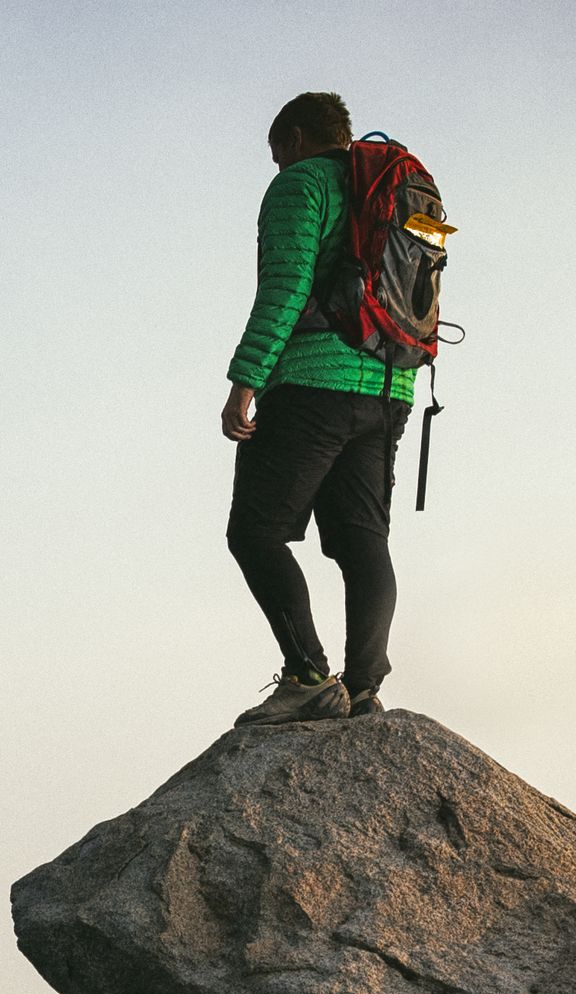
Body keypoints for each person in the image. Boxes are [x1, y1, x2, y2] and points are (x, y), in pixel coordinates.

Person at [223, 90, 414, 725]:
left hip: (312, 384)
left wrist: (246, 378)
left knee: (255, 531)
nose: (276, 167)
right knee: (362, 538)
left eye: (276, 154)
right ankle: (363, 690)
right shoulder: (388, 191)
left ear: (295, 139)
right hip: (390, 386)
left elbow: (286, 283)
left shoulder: (301, 184)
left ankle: (308, 676)